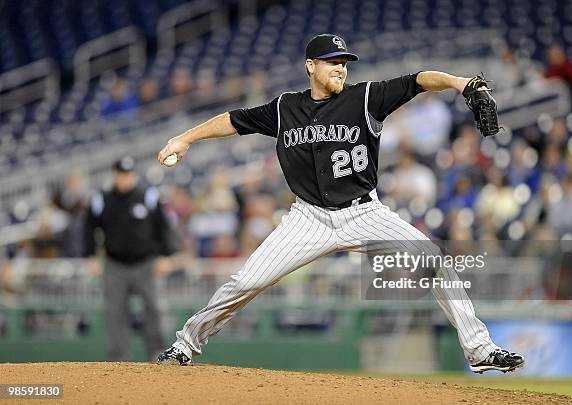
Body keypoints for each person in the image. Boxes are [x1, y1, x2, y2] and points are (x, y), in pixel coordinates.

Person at [156, 34, 525, 373]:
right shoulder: (286, 108)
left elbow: (418, 80)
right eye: (332, 61)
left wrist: (462, 83)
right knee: (245, 281)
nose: (341, 68)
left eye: (344, 61)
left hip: (364, 213)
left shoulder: (365, 98)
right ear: (310, 66)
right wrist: (184, 139)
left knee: (434, 260)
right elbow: (234, 120)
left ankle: (479, 350)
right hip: (308, 218)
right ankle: (185, 345)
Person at [84, 156, 177, 361]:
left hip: (146, 263)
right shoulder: (102, 199)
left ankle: (156, 353)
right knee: (115, 312)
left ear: (134, 175)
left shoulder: (149, 196)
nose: (125, 179)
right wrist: (90, 255)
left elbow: (163, 226)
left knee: (154, 308)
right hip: (114, 264)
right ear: (115, 175)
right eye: (121, 175)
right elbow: (89, 226)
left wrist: (165, 255)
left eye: (128, 174)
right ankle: (118, 357)